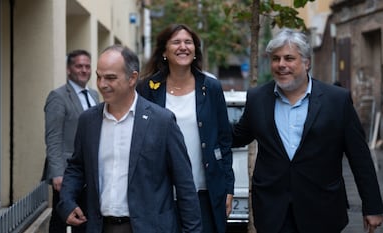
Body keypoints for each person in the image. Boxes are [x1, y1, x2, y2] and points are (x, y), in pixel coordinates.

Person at [232, 28, 383, 233]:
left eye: (289, 58)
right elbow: (237, 136)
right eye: (276, 59)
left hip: (323, 210)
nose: (281, 65)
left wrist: (372, 206)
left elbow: (360, 157)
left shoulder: (336, 100)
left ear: (306, 62)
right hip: (273, 211)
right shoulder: (258, 98)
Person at [56, 44, 202, 233]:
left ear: (132, 78)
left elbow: (184, 185)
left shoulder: (162, 121)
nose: (102, 84)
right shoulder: (88, 121)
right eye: (99, 76)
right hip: (99, 227)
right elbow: (77, 167)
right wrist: (66, 202)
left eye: (110, 78)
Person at [137, 23, 234, 233]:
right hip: (160, 196)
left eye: (188, 42)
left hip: (204, 193)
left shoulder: (212, 87)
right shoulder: (147, 89)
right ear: (164, 51)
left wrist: (228, 187)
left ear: (195, 50)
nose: (183, 47)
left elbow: (224, 141)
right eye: (176, 42)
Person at [42, 49, 99, 233]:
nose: (84, 70)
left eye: (87, 66)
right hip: (66, 173)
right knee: (61, 221)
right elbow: (53, 137)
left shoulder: (94, 94)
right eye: (79, 66)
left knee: (83, 219)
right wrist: (57, 173)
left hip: (89, 170)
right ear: (68, 70)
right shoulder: (58, 97)